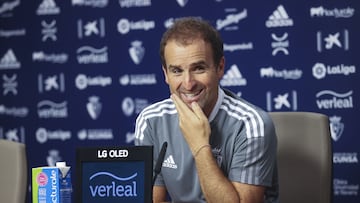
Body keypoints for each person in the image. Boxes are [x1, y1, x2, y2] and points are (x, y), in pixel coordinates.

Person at [135, 17, 278, 203]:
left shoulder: (251, 125)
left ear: (220, 68)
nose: (188, 83)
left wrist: (200, 146)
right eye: (177, 71)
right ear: (166, 75)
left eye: (199, 68)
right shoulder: (150, 121)